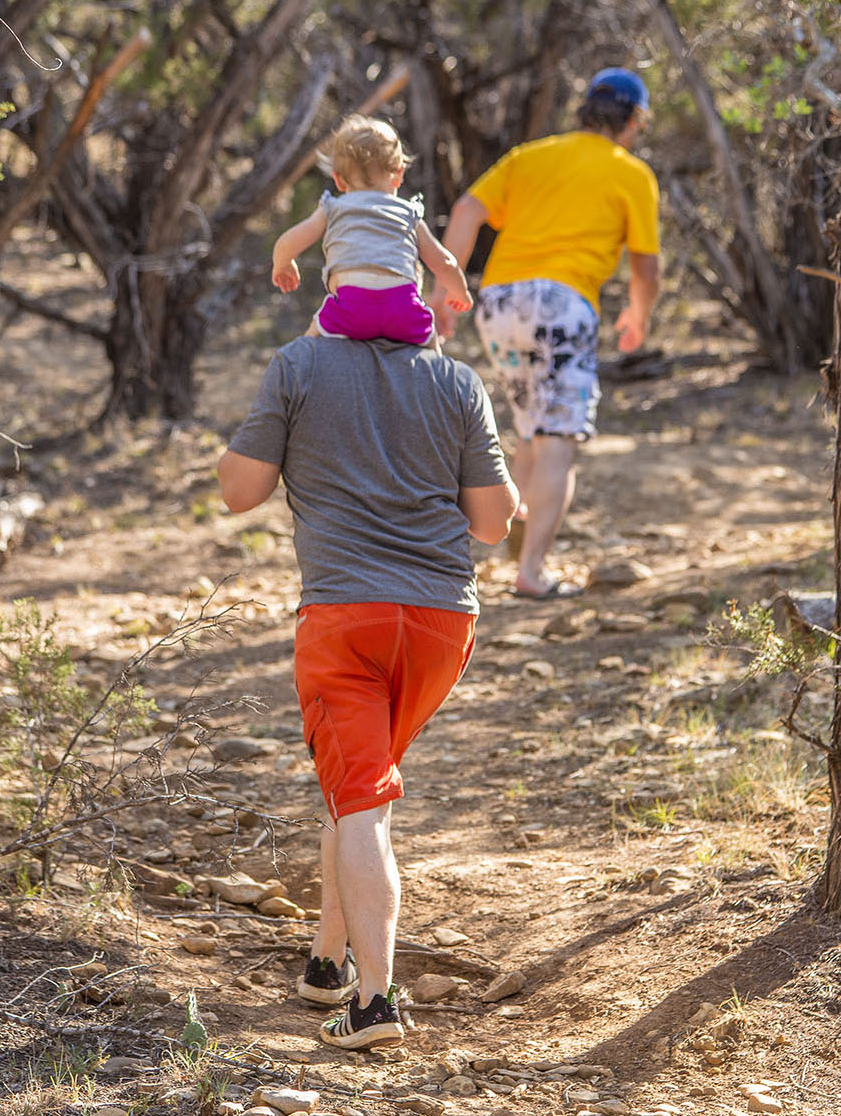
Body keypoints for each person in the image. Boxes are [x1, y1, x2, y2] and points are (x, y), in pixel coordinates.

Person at [217, 335, 517, 1049]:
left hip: (346, 618)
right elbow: (496, 523)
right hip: (443, 623)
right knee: (359, 787)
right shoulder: (456, 379)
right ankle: (328, 959)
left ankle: (374, 1003)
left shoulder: (297, 365)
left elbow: (237, 491)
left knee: (360, 801)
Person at [432, 67, 661, 599]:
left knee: (532, 432)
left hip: (500, 303)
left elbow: (468, 209)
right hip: (562, 304)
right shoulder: (630, 173)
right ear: (632, 120)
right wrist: (639, 315)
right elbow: (646, 270)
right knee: (558, 440)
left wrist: (445, 290)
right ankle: (531, 572)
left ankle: (509, 546)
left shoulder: (530, 156)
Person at [271, 113, 472, 346]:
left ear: (338, 180)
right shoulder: (408, 214)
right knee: (433, 347)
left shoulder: (332, 209)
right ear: (399, 175)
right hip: (402, 309)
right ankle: (435, 376)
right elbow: (444, 263)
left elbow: (286, 243)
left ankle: (302, 372)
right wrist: (460, 292)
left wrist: (282, 264)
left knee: (308, 343)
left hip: (349, 308)